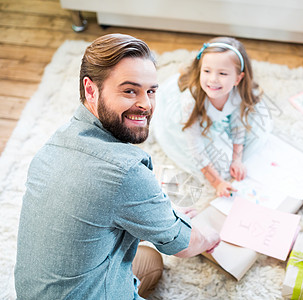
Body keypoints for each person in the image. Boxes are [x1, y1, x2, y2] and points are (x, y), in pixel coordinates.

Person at [15, 33, 220, 299]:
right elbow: (185, 246)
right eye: (129, 91)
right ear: (91, 89)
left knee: (149, 262)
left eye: (151, 91)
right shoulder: (125, 172)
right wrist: (212, 234)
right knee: (162, 253)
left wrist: (157, 214)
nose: (146, 104)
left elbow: (97, 214)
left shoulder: (54, 145)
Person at [152, 37, 273, 197]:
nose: (213, 79)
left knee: (255, 135)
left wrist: (237, 159)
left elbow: (238, 126)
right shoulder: (191, 101)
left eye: (222, 73)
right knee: (216, 163)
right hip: (192, 121)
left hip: (222, 112)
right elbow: (195, 146)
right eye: (207, 71)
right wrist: (217, 182)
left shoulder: (237, 95)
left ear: (237, 79)